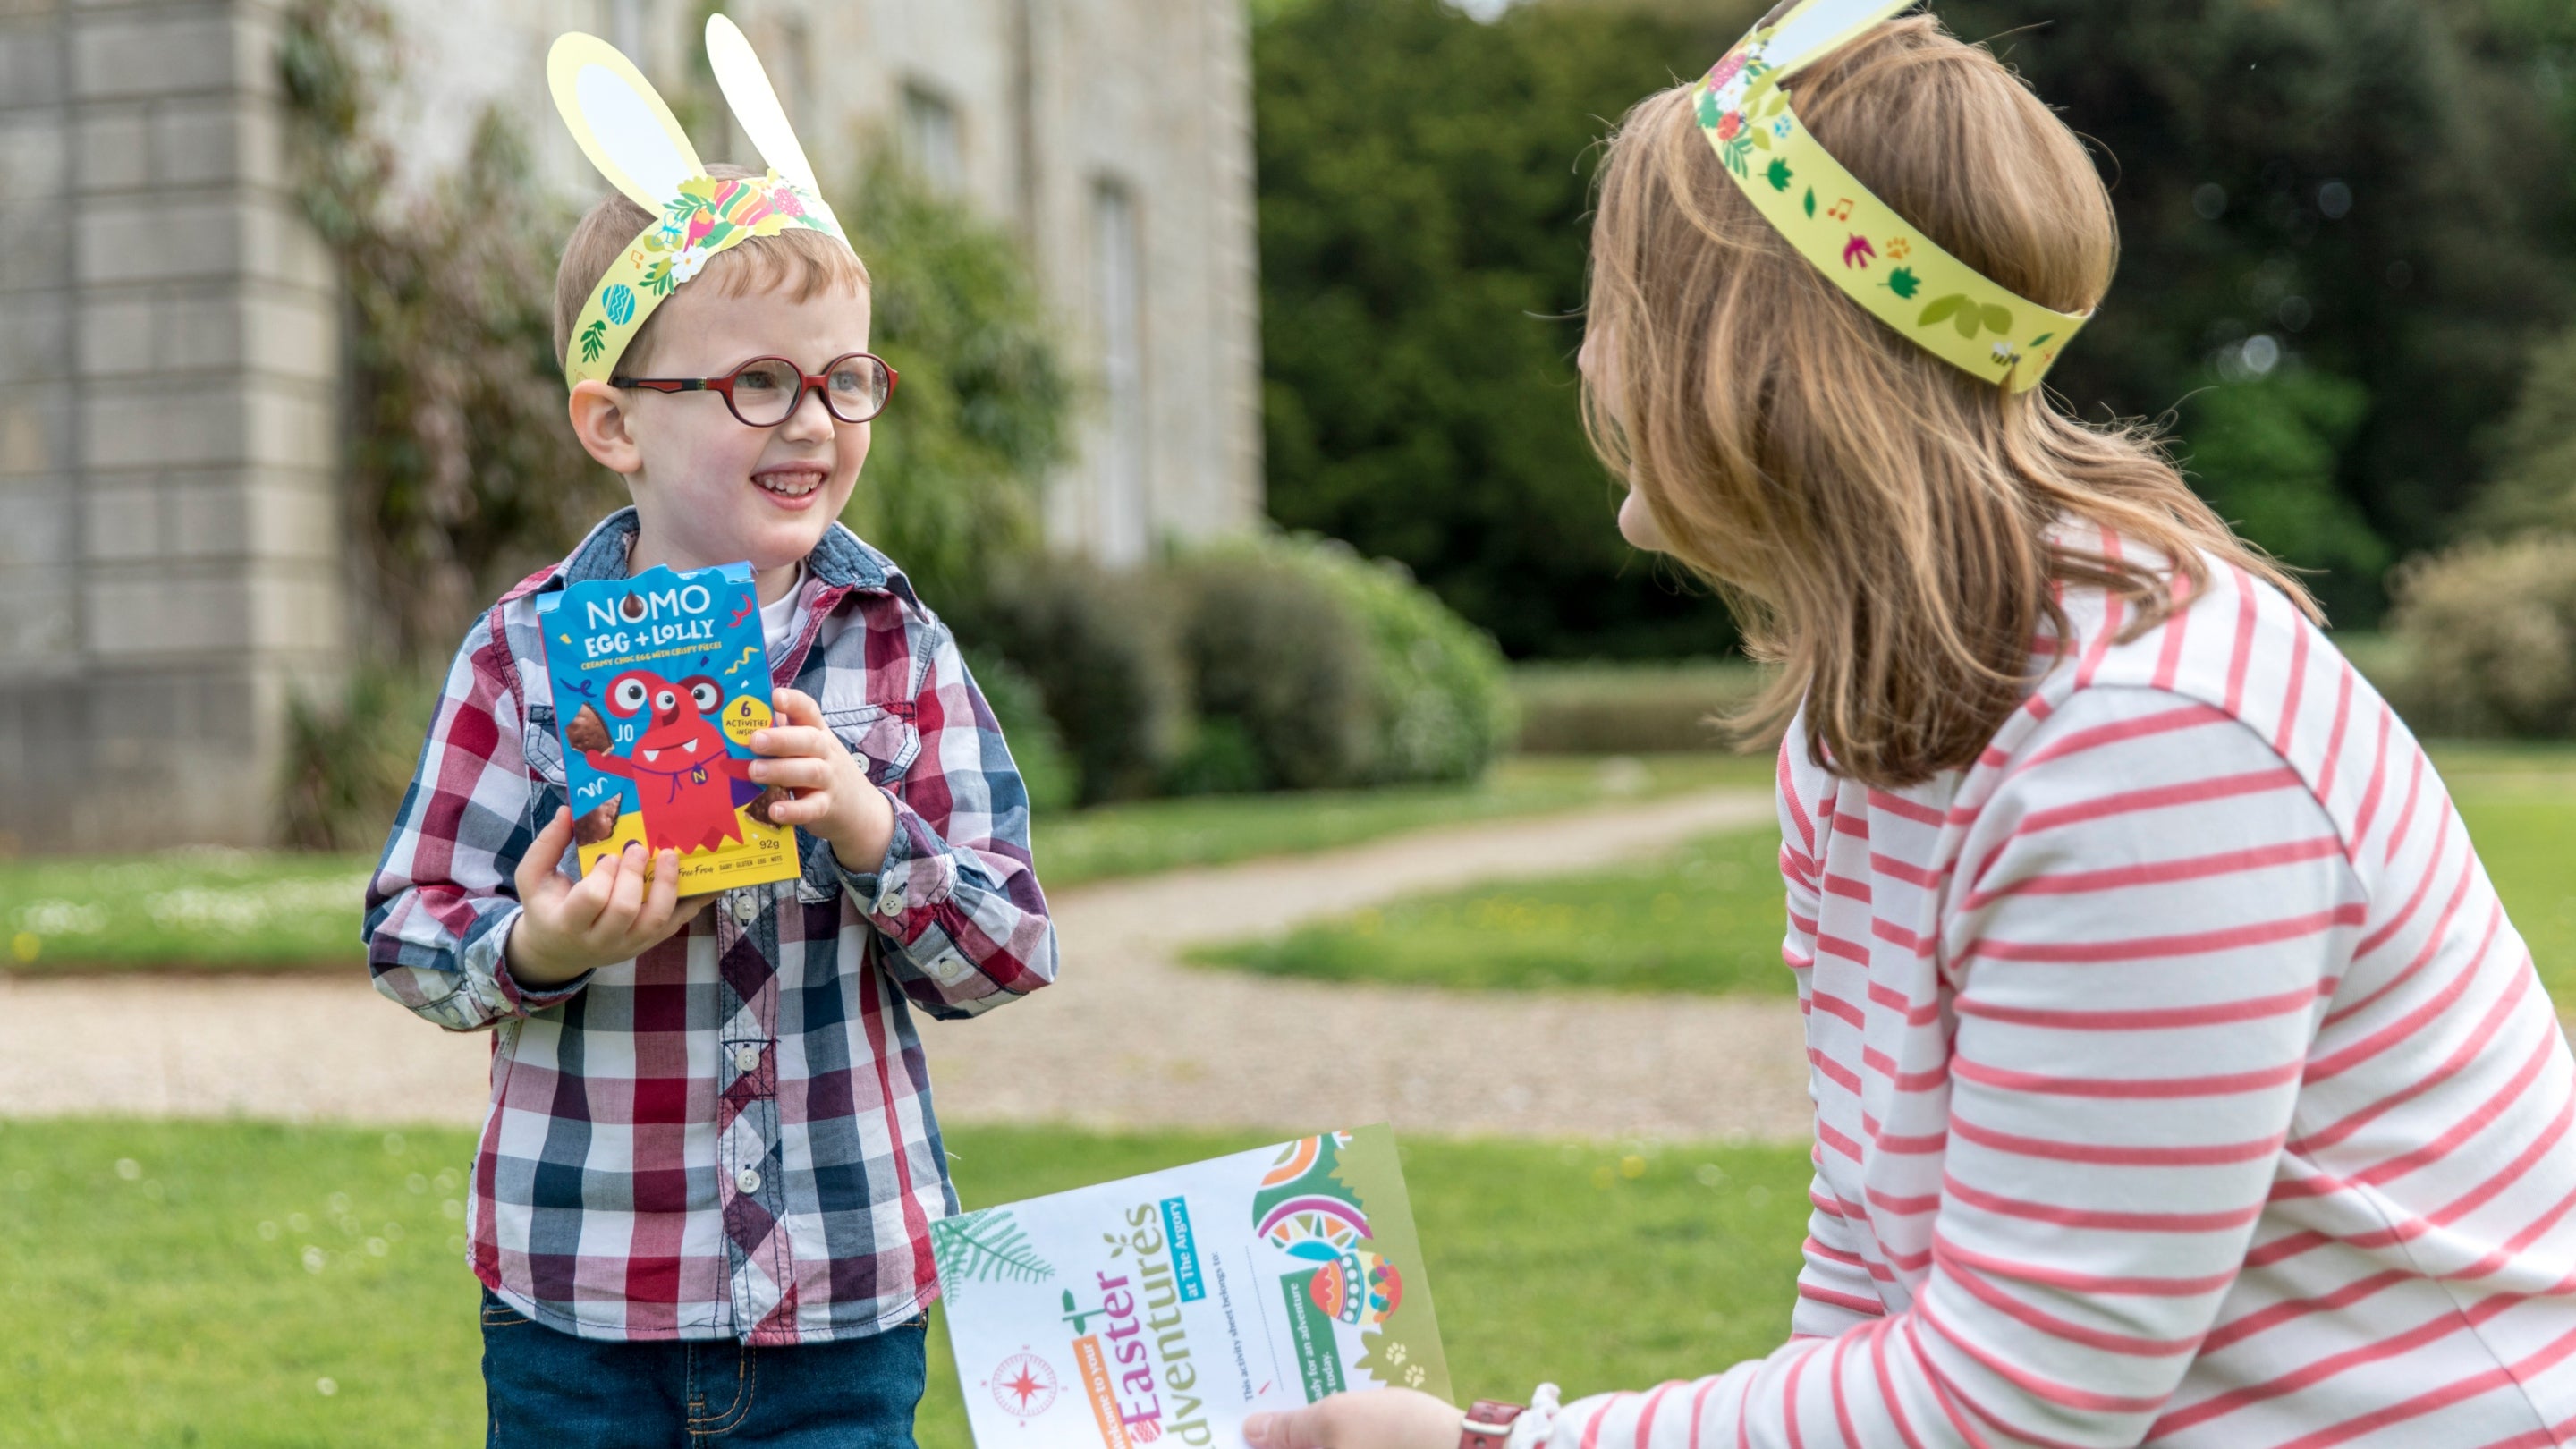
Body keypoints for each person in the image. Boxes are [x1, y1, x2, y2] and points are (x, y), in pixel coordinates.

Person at [1244, 4, 2576, 1447]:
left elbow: (2021, 1401)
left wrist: (1501, 1445)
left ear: (1744, 343)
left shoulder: (2144, 741)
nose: (1586, 366)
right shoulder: (1877, 708)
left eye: (1619, 303)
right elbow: (1873, 1266)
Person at [362, 21, 1055, 1447]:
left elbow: (1009, 950)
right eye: (756, 382)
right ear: (616, 421)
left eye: (843, 378)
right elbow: (410, 936)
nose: (813, 419)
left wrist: (870, 829)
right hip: (581, 1312)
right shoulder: (523, 653)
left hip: (842, 1309)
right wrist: (541, 947)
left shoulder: (896, 646)